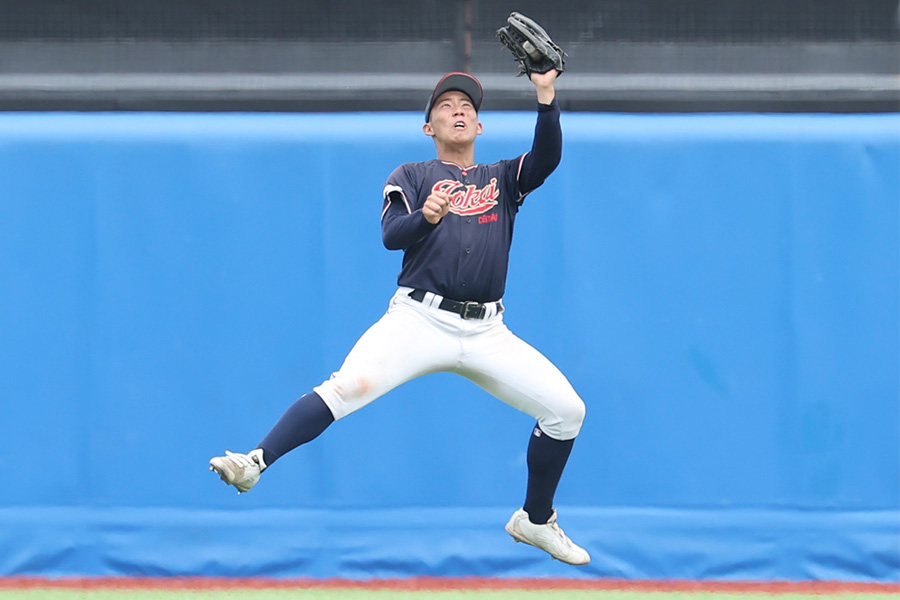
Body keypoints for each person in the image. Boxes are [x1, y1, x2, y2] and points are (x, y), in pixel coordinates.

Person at [210, 70, 589, 566]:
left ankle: (535, 519)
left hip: (487, 330)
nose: (459, 110)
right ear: (428, 127)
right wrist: (426, 217)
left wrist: (545, 94)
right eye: (446, 105)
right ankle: (255, 462)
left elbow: (548, 158)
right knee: (347, 386)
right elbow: (392, 235)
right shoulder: (412, 175)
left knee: (567, 411)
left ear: (479, 126)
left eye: (468, 106)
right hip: (419, 320)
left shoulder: (500, 178)